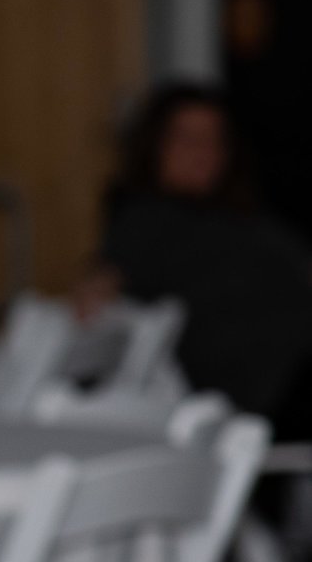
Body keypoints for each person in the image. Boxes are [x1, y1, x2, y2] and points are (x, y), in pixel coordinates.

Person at [94, 82, 312, 434]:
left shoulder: (246, 219)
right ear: (155, 147)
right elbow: (107, 282)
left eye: (214, 139)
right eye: (186, 139)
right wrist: (97, 285)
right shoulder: (143, 220)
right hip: (241, 399)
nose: (203, 151)